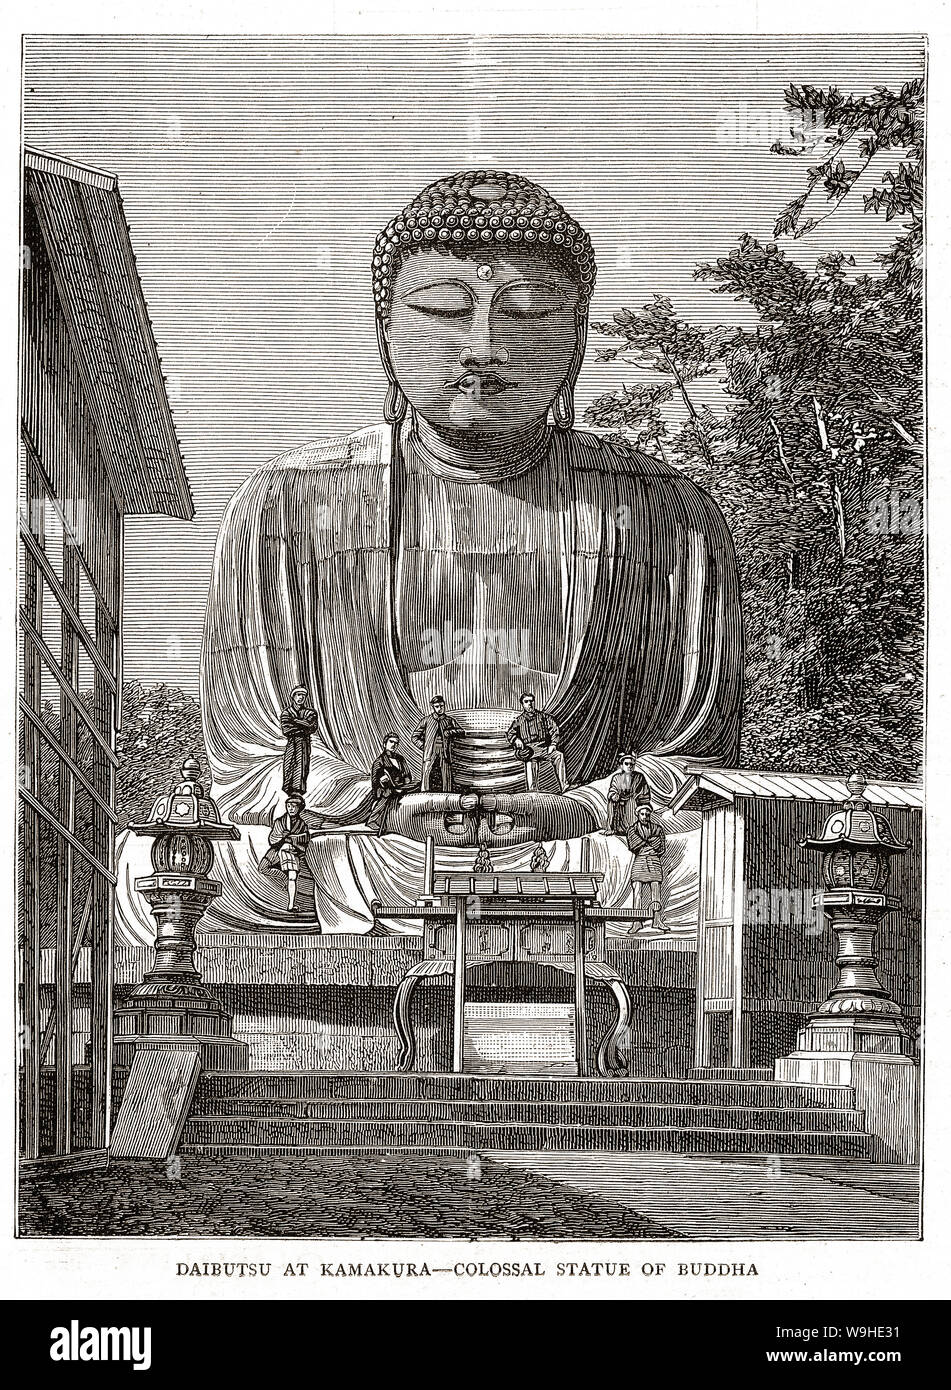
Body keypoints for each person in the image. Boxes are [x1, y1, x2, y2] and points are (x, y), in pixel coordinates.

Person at [179, 169, 743, 933]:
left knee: (717, 865)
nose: (482, 349)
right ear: (385, 331)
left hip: (582, 846)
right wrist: (382, 807)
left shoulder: (668, 513)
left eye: (527, 316)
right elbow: (247, 769)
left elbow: (698, 765)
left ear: (575, 342)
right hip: (374, 848)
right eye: (444, 311)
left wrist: (570, 808)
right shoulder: (284, 504)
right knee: (181, 864)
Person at [260, 794, 311, 911]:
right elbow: (272, 839)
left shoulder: (302, 824)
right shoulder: (280, 821)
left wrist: (292, 839)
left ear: (299, 808)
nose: (291, 808)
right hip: (277, 850)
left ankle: (291, 905)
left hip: (292, 852)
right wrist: (282, 838)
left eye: (294, 806)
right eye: (289, 806)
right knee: (262, 867)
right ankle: (283, 877)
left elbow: (305, 839)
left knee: (292, 877)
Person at [507, 693, 566, 792]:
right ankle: (532, 792)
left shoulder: (543, 717)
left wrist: (553, 744)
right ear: (522, 704)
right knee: (530, 764)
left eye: (531, 701)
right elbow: (510, 733)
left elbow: (554, 729)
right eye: (526, 702)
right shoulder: (518, 720)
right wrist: (516, 739)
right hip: (530, 750)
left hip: (544, 748)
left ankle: (564, 786)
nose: (529, 704)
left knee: (559, 756)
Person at [627, 803, 668, 932]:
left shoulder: (657, 828)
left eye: (647, 814)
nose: (644, 817)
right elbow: (634, 844)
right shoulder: (633, 829)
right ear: (637, 815)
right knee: (637, 892)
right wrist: (651, 843)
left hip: (654, 861)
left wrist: (646, 844)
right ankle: (636, 922)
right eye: (642, 814)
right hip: (640, 861)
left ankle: (657, 920)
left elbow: (661, 847)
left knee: (656, 893)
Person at [413, 695, 463, 792]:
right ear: (433, 707)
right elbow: (415, 737)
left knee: (446, 775)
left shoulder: (449, 720)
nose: (440, 709)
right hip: (430, 752)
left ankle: (447, 798)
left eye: (441, 706)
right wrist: (425, 747)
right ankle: (424, 796)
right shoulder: (426, 720)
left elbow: (461, 731)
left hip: (444, 752)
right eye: (437, 706)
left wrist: (450, 732)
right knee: (426, 775)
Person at [367, 734, 416, 834]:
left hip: (401, 786)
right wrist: (383, 781)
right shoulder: (379, 761)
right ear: (385, 744)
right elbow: (375, 781)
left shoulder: (401, 759)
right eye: (391, 742)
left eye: (396, 743)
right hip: (387, 787)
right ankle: (372, 820)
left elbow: (407, 775)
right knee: (387, 793)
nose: (394, 745)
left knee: (418, 784)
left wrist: (406, 783)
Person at [280, 687, 319, 796]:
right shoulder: (287, 712)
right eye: (298, 695)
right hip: (292, 743)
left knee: (301, 767)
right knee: (289, 767)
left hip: (303, 744)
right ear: (293, 697)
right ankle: (289, 792)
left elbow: (312, 727)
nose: (300, 697)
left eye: (303, 695)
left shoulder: (310, 712)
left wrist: (295, 721)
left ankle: (298, 794)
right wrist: (303, 725)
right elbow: (286, 730)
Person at [605, 753, 651, 836]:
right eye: (626, 764)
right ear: (622, 765)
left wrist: (639, 801)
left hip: (633, 805)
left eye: (632, 764)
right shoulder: (616, 777)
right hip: (619, 807)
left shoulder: (639, 777)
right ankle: (613, 828)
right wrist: (613, 795)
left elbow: (644, 793)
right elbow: (612, 790)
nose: (629, 766)